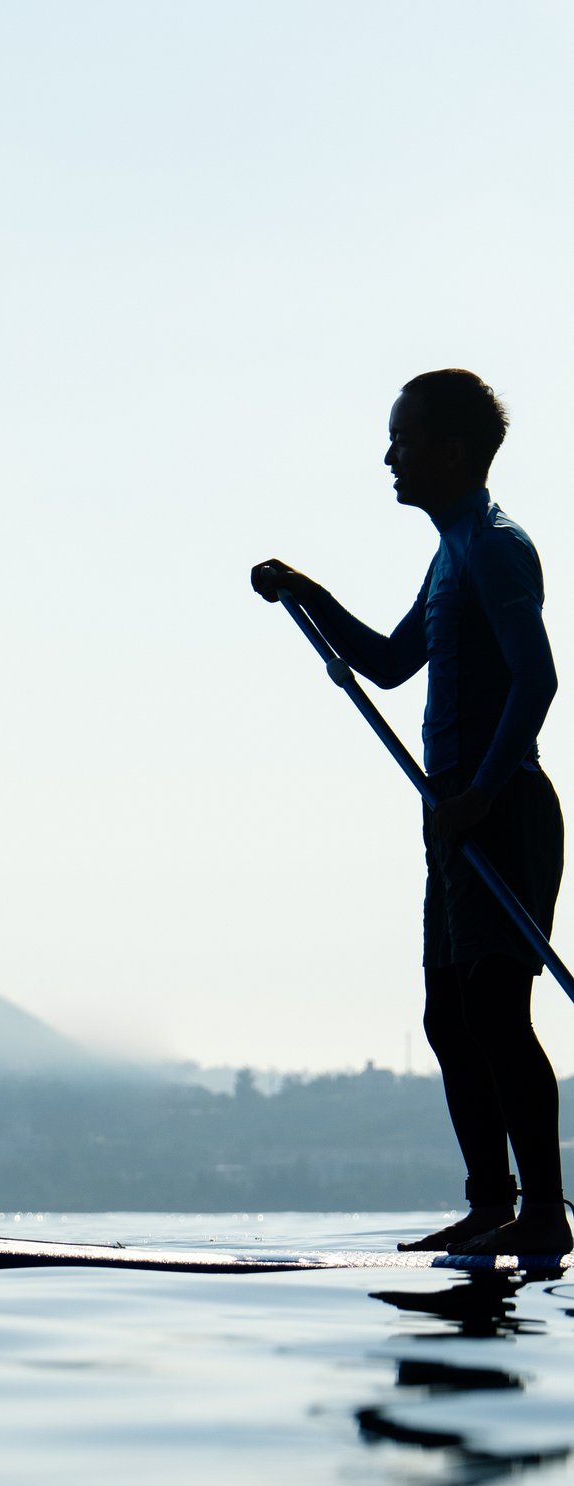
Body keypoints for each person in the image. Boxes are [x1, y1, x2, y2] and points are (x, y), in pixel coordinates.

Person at [252, 370, 568, 1260]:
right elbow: (392, 663)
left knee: (497, 1009)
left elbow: (537, 679)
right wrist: (305, 592)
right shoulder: (449, 552)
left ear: (453, 449)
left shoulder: (496, 547)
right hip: (457, 823)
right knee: (447, 1015)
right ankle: (489, 1203)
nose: (390, 456)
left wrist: (479, 791)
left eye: (405, 438)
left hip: (502, 813)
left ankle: (544, 1211)